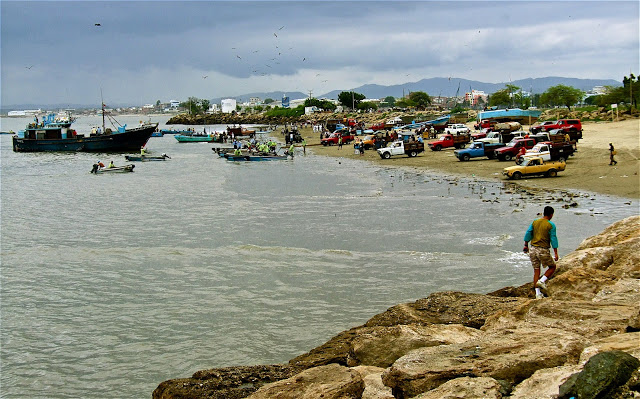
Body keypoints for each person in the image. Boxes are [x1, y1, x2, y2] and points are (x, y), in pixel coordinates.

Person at [523, 206, 558, 299]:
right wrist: (556, 253)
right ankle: (542, 281)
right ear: (551, 214)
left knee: (536, 271)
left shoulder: (535, 222)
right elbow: (553, 239)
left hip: (533, 249)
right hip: (543, 250)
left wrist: (526, 244)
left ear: (543, 213)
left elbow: (528, 232)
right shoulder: (551, 225)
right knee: (552, 267)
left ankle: (538, 294)